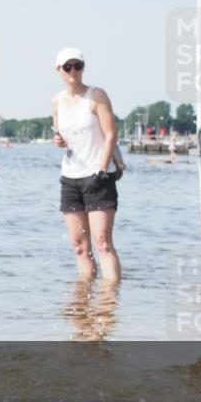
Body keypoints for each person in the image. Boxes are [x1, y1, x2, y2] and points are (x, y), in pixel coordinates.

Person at [51, 47, 121, 283]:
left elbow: (111, 135)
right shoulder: (56, 101)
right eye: (67, 66)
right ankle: (83, 297)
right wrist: (58, 141)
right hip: (70, 177)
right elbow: (62, 135)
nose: (73, 71)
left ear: (83, 68)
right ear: (59, 70)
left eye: (77, 65)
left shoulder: (97, 95)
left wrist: (101, 170)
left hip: (98, 176)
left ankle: (110, 298)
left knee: (102, 243)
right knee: (79, 246)